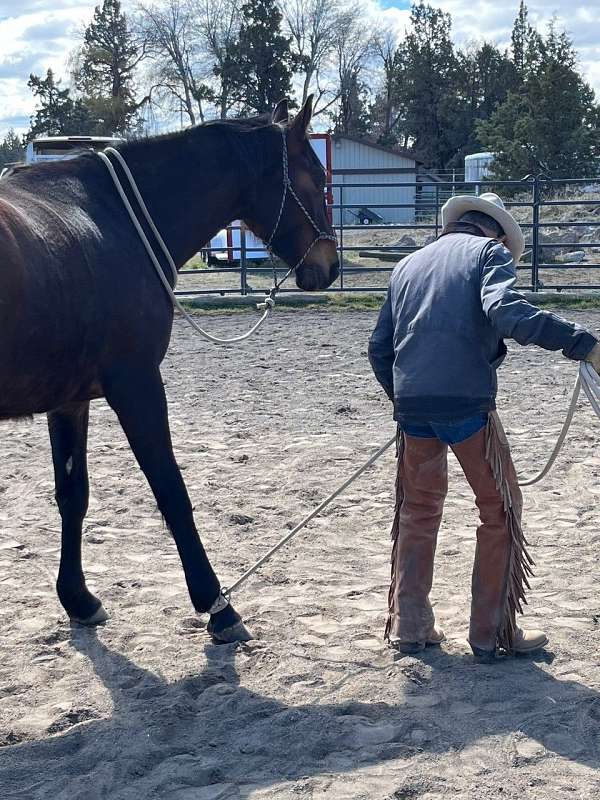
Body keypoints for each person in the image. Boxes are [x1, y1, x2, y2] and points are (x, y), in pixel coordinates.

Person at [368, 192, 600, 661]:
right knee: (500, 508)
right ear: (494, 231)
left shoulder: (406, 266)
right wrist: (580, 342)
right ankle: (491, 633)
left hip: (413, 406)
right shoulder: (488, 254)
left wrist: (407, 401)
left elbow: (379, 348)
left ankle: (410, 627)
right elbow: (507, 313)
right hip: (466, 403)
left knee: (417, 509)